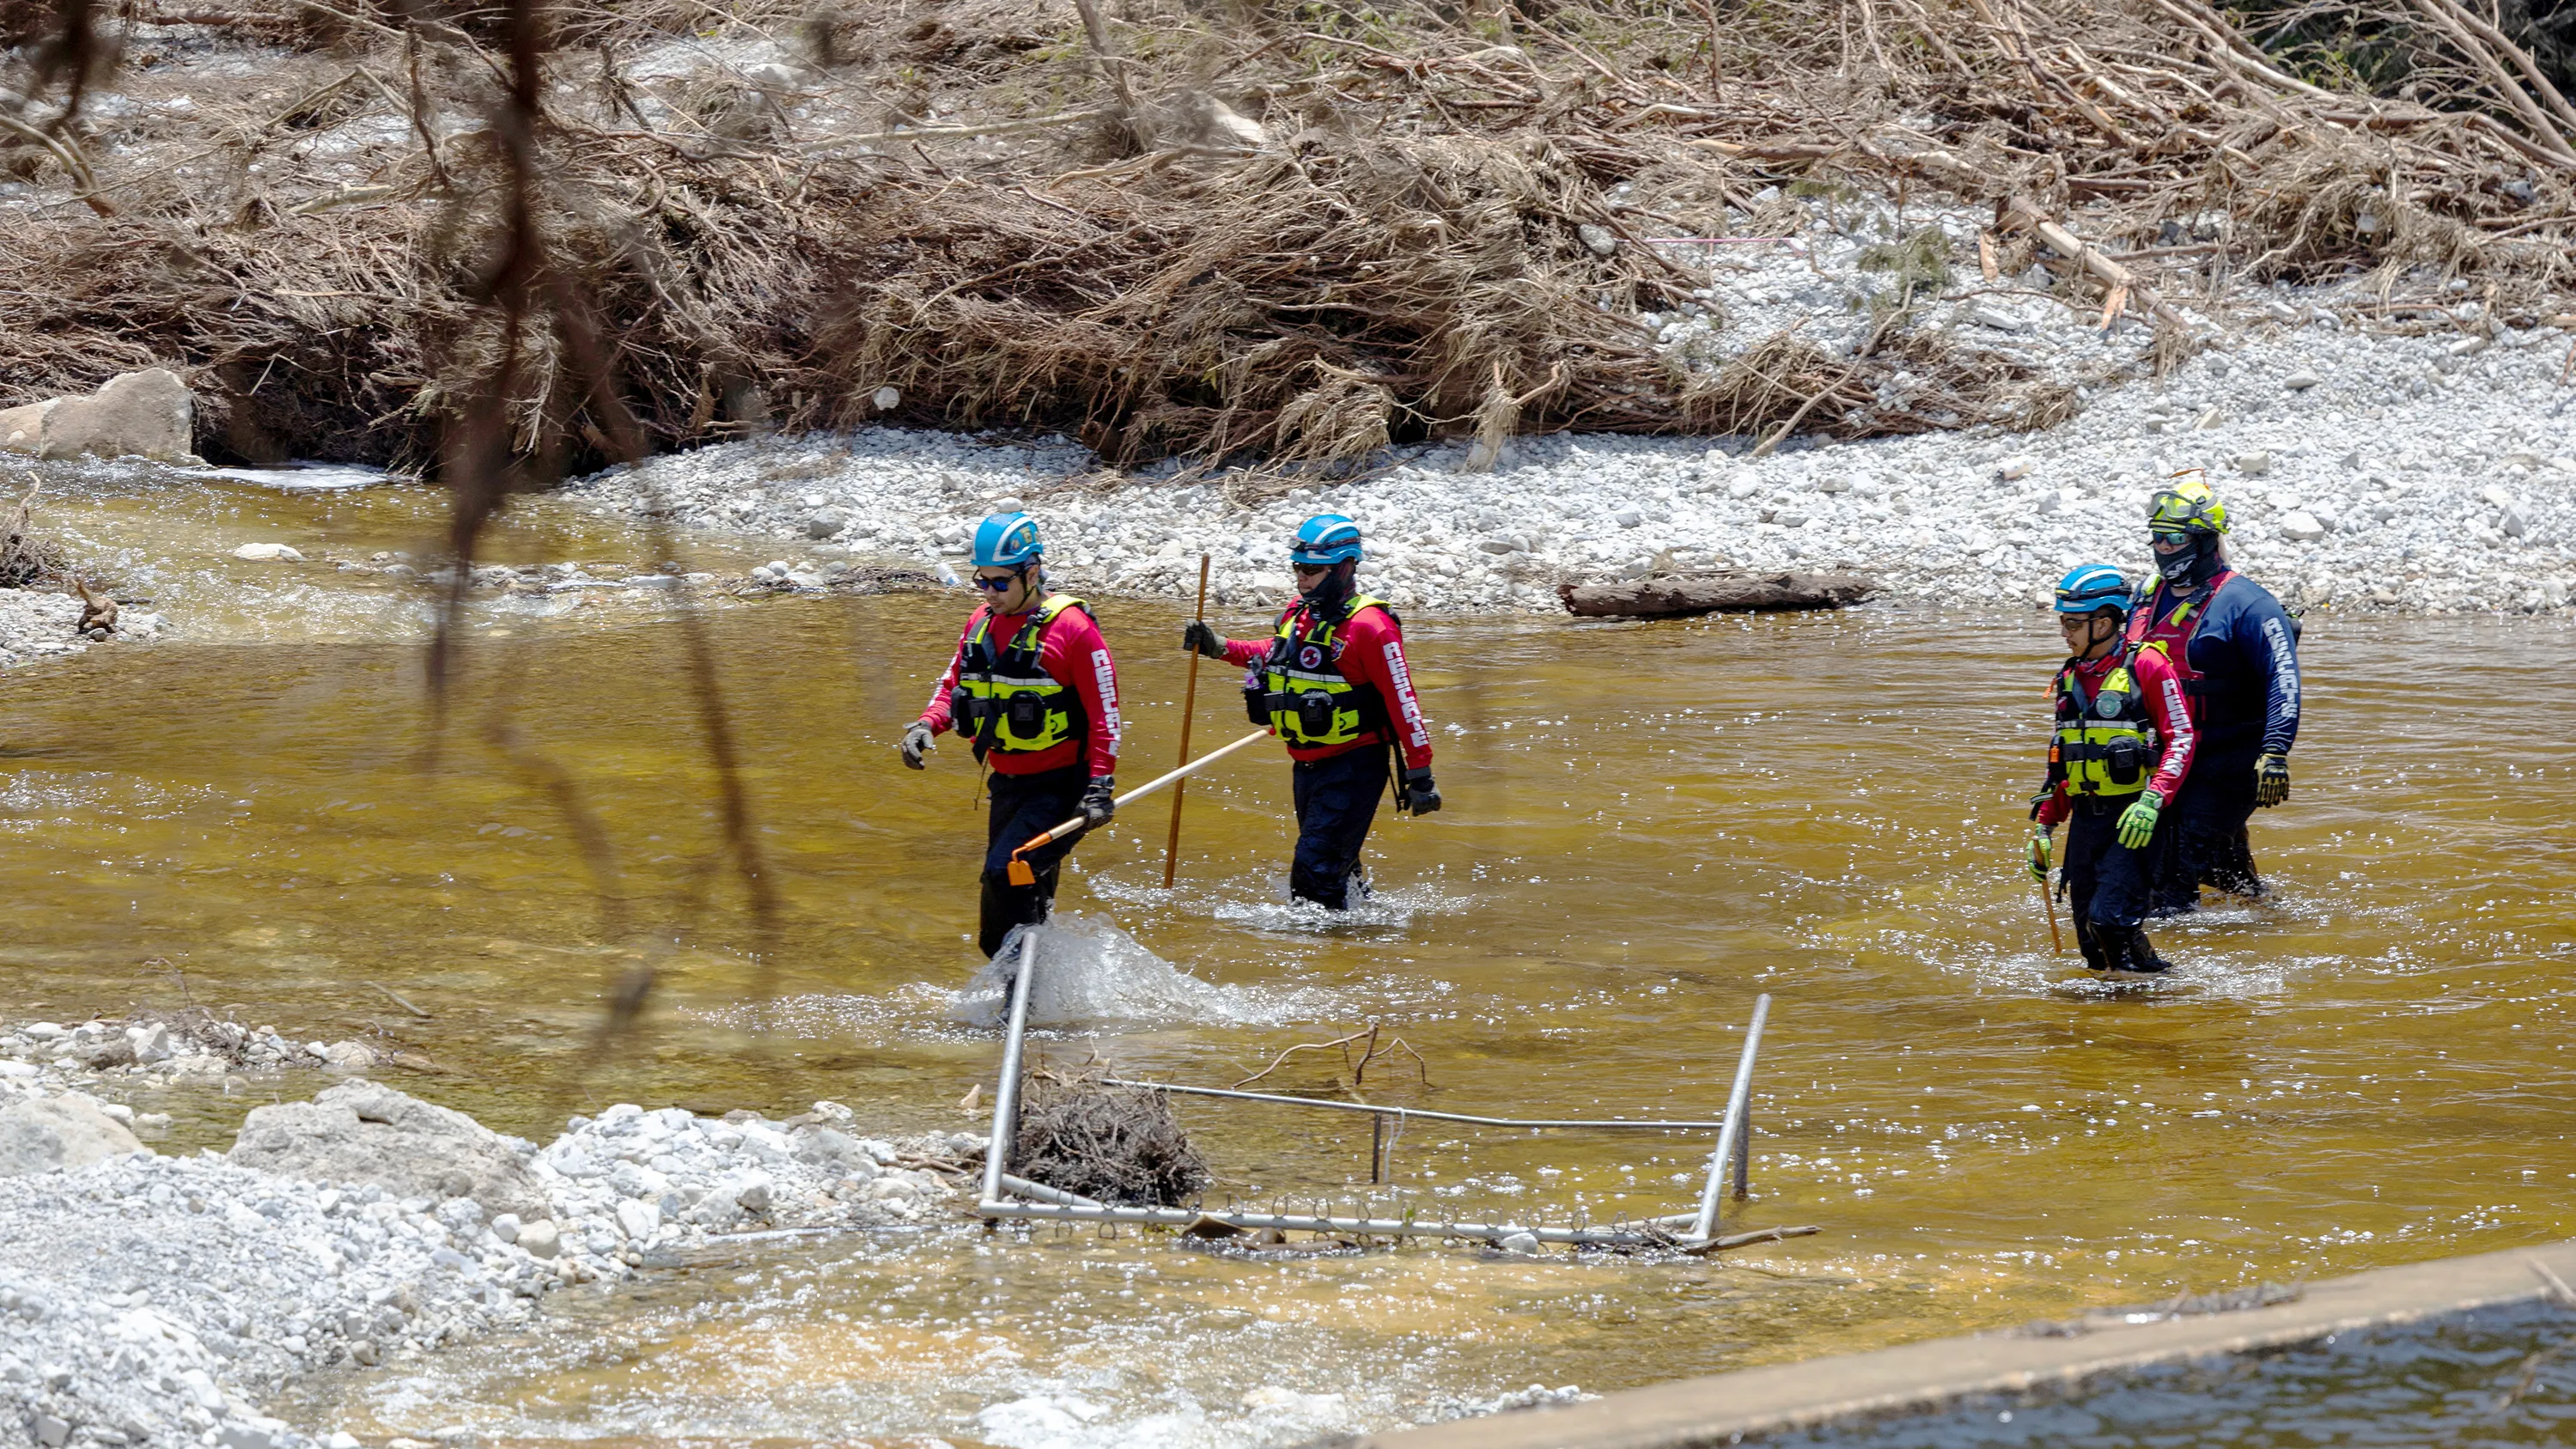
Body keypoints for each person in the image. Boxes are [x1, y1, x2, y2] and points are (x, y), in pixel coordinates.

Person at [1179, 514, 1439, 910]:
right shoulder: (1298, 615)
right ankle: (1365, 933)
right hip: (1307, 764)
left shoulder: (1372, 627)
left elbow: (1403, 699)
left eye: (1313, 571)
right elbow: (1272, 653)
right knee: (1337, 869)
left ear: (1345, 567)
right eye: (1298, 568)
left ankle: (1322, 959)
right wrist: (1219, 646)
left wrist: (1420, 772)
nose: (1302, 578)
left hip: (1354, 764)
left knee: (1313, 874)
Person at [898, 512, 1122, 957]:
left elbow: (1106, 716)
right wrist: (926, 725)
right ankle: (1037, 998)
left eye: (1001, 583)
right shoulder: (979, 623)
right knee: (1005, 920)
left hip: (1062, 787)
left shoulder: (1074, 630)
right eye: (982, 581)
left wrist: (1101, 786)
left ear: (1032, 573)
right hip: (1007, 784)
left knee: (1007, 872)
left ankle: (1021, 1001)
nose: (989, 593)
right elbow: (952, 686)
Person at [2122, 475, 2302, 915]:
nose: (2163, 548)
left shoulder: (2249, 603)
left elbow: (2285, 680)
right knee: (2222, 870)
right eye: (2157, 538)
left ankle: (2171, 974)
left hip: (2229, 761)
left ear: (2203, 541)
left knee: (2170, 870)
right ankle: (2267, 922)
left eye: (2174, 539)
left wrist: (2275, 752)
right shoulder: (2148, 595)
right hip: (2168, 755)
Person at [2028, 563, 2198, 974]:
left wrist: (2154, 799)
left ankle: (2149, 1001)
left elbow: (2182, 738)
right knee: (2091, 938)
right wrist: (2045, 827)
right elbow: (2064, 762)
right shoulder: (2069, 679)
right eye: (2063, 622)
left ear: (2104, 622)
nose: (2064, 632)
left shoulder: (2148, 667)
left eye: (2072, 622)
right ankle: (2141, 993)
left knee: (2109, 921)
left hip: (2135, 818)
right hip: (2087, 820)